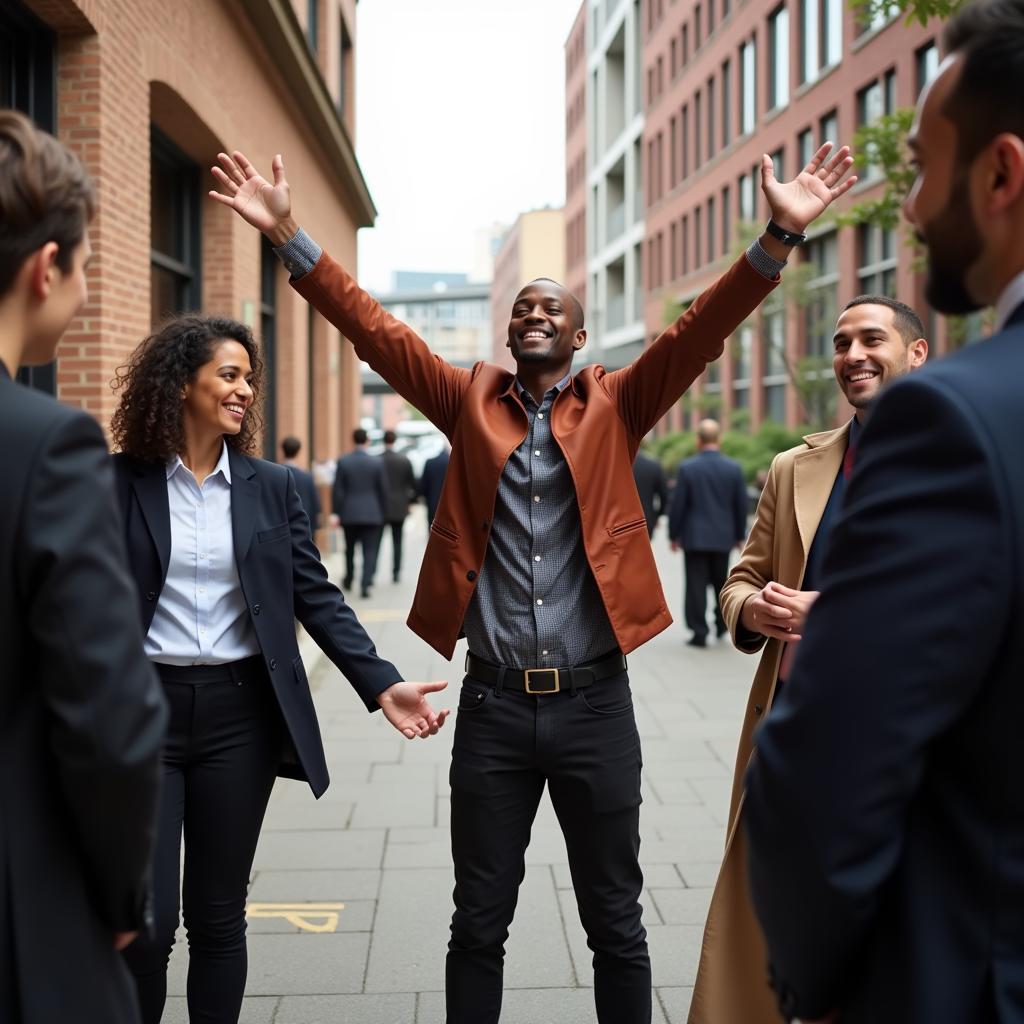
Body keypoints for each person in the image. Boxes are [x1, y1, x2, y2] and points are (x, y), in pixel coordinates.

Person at [209, 139, 856, 1024]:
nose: (534, 315)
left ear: (580, 336)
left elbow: (699, 329)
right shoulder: (468, 398)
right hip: (494, 709)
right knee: (477, 921)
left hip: (597, 706)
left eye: (551, 308)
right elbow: (375, 329)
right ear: (508, 332)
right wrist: (290, 236)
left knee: (616, 924)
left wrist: (779, 237)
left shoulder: (619, 404)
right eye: (522, 308)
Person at [745, 3, 1024, 1020]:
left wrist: (818, 979)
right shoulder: (800, 461)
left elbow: (824, 773)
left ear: (1000, 175)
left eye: (919, 171)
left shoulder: (954, 421)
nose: (907, 211)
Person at [108, 314, 449, 1024]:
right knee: (145, 921)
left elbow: (316, 596)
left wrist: (382, 682)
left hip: (240, 717)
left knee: (218, 916)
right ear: (179, 386)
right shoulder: (116, 483)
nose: (244, 392)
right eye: (229, 376)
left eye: (248, 379)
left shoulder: (271, 487)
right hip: (141, 717)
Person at [687, 296, 927, 1024]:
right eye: (841, 340)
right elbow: (740, 577)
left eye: (872, 338)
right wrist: (751, 610)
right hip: (795, 739)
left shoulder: (967, 459)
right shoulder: (797, 467)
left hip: (909, 744)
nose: (853, 353)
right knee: (786, 930)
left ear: (916, 353)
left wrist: (841, 615)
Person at [0, 108, 167, 1024]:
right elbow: (109, 713)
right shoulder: (48, 446)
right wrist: (116, 895)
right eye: (88, 264)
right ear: (44, 269)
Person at [667, 419, 747, 647]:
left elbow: (678, 504)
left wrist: (674, 535)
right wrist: (740, 535)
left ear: (698, 440)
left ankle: (699, 632)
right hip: (723, 537)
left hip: (694, 538)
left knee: (695, 585)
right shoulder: (733, 468)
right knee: (722, 583)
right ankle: (722, 625)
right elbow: (740, 504)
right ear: (718, 439)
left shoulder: (688, 468)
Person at [332, 427, 387, 598]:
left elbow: (338, 490)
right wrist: (382, 512)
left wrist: (337, 512)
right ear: (367, 440)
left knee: (349, 549)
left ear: (353, 440)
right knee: (369, 550)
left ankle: (349, 579)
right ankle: (365, 584)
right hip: (372, 513)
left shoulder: (343, 461)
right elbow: (383, 490)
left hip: (349, 513)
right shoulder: (376, 462)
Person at [380, 428, 417, 582]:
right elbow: (412, 484)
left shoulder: (377, 459)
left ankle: (371, 574)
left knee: (375, 542)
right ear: (394, 441)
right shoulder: (404, 460)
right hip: (400, 506)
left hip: (381, 506)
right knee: (398, 541)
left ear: (384, 441)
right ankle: (396, 573)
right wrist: (411, 502)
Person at [279, 434, 321, 532]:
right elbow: (315, 502)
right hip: (303, 523)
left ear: (282, 450)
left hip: (280, 523)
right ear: (298, 451)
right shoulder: (307, 477)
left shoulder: (273, 475)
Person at [631, 449, 668, 538]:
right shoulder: (653, 465)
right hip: (645, 521)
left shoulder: (611, 466)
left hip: (616, 525)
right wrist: (656, 516)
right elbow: (664, 496)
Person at [418, 443, 450, 526]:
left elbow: (423, 486)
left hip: (432, 504)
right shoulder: (453, 464)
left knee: (432, 530)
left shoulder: (430, 463)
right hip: (449, 507)